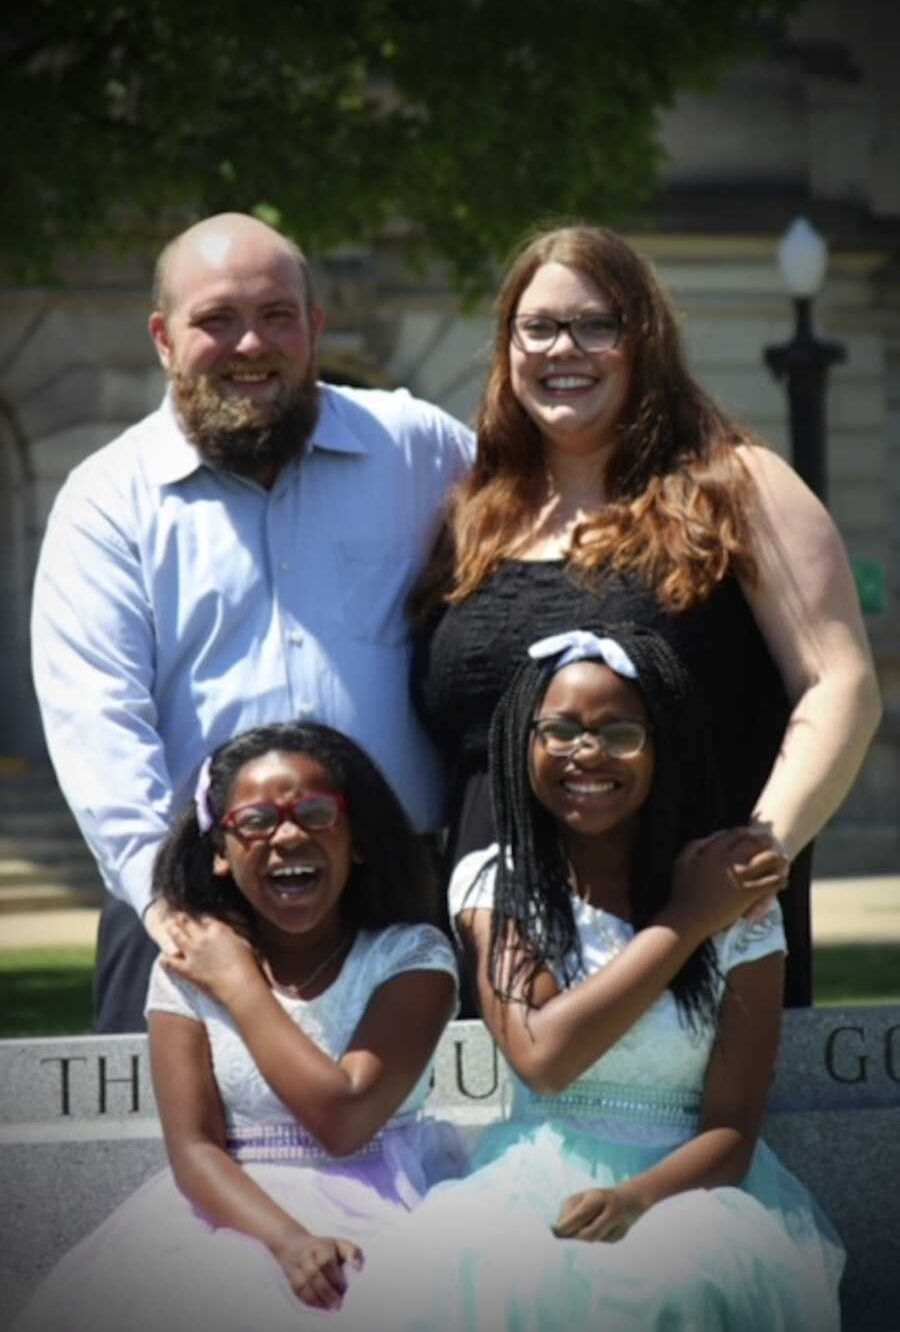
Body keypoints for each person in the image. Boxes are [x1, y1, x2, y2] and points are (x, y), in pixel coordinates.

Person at [411, 222, 881, 1008]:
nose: (565, 348)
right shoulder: (472, 518)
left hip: (694, 937)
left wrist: (762, 848)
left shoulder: (738, 487)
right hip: (503, 963)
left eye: (598, 325)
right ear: (508, 347)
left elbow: (841, 683)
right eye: (539, 327)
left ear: (647, 340)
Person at [30, 211, 474, 1032]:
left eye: (276, 317)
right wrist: (168, 908)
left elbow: (546, 545)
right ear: (164, 338)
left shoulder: (420, 450)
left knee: (426, 1154)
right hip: (193, 903)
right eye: (217, 321)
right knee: (159, 1160)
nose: (250, 346)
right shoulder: (105, 501)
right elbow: (96, 720)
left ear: (315, 327)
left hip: (397, 897)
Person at [350, 627, 844, 1332]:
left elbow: (732, 1129)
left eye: (620, 733)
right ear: (524, 745)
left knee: (681, 1285)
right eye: (560, 731)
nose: (587, 752)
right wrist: (688, 917)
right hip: (528, 1175)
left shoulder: (743, 904)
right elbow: (544, 1058)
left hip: (687, 1190)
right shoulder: (496, 884)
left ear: (662, 743)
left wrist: (637, 1200)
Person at [13, 720, 466, 1332]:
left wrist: (239, 985)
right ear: (221, 853)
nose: (286, 836)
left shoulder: (412, 958)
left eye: (315, 813)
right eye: (255, 822)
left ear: (356, 838)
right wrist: (287, 1241)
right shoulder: (184, 971)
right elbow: (195, 1148)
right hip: (237, 1219)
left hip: (394, 1205)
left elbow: (345, 1118)